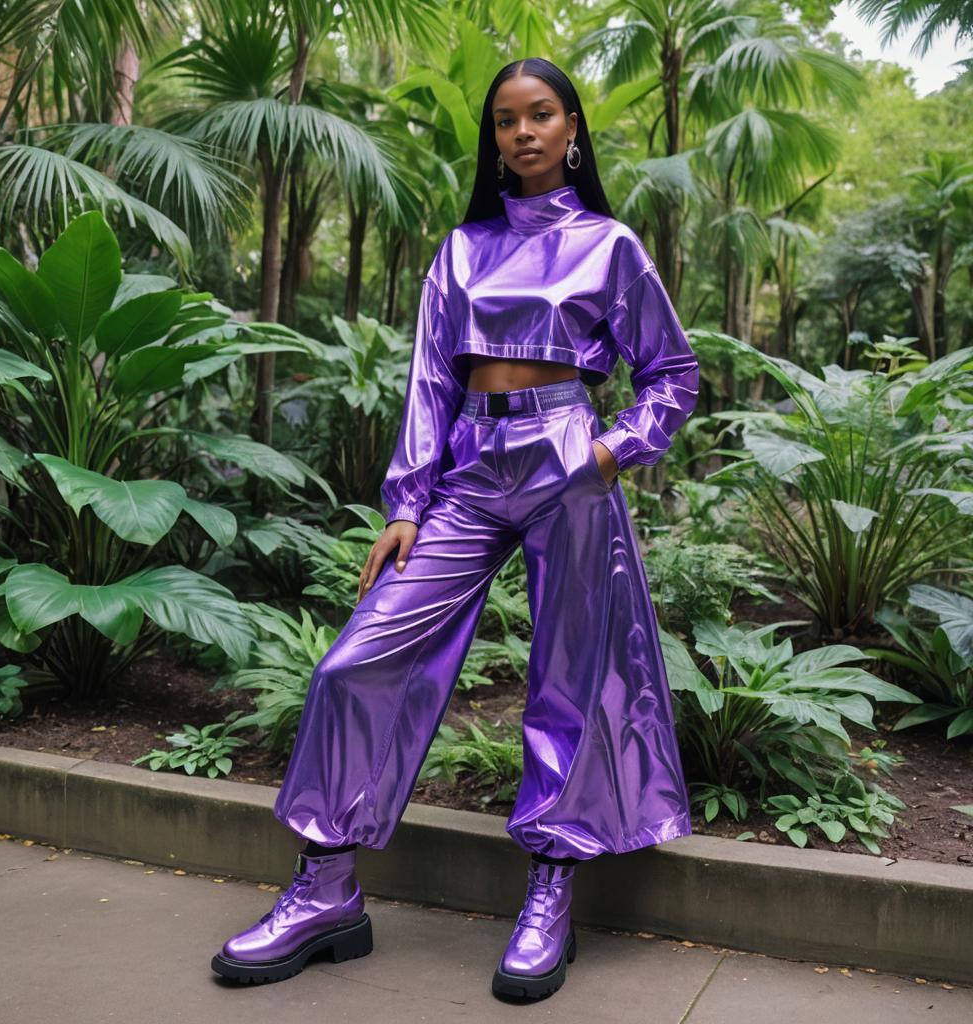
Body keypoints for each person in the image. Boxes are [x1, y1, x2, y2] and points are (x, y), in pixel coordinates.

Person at [211, 56, 699, 1002]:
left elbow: (672, 378)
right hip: (471, 470)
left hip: (569, 456)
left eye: (541, 114)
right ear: (496, 140)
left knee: (568, 681)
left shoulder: (611, 245)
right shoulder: (463, 249)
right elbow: (430, 380)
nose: (522, 132)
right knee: (356, 661)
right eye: (506, 119)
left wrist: (606, 455)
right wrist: (406, 503)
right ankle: (325, 888)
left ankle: (550, 892)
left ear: (571, 131)